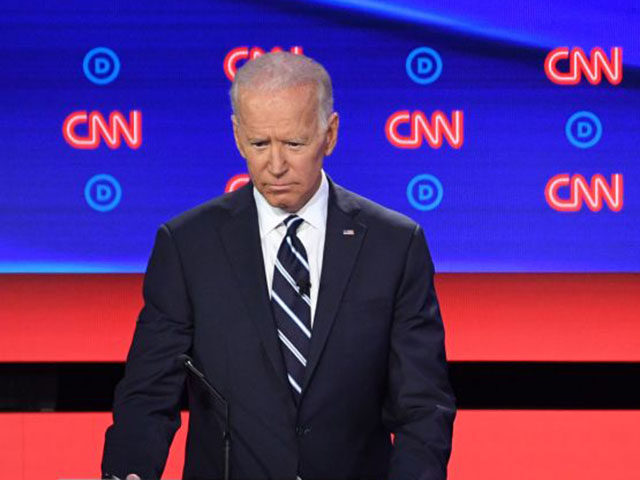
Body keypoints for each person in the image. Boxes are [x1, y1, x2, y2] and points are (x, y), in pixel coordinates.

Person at [101, 52, 456, 480]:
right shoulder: (187, 245)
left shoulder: (394, 245)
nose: (276, 165)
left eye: (294, 143)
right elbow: (148, 391)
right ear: (236, 135)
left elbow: (422, 405)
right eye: (259, 144)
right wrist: (128, 471)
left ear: (330, 134)